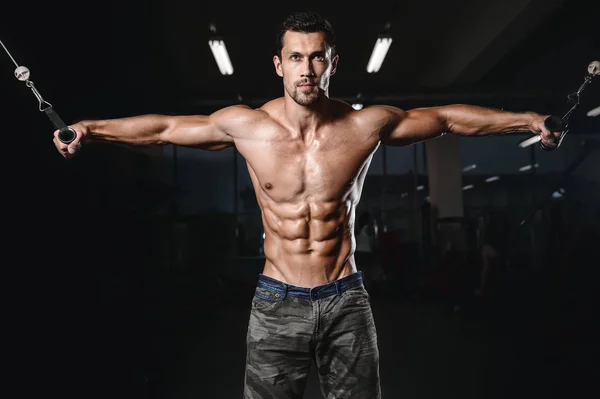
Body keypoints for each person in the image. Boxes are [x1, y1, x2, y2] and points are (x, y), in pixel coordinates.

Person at [52, 11, 562, 399]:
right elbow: (163, 129)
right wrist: (90, 129)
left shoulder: (366, 126)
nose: (307, 68)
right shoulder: (246, 126)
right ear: (279, 64)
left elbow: (447, 118)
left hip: (346, 298)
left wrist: (526, 120)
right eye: (296, 57)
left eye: (317, 56)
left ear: (332, 63)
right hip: (277, 302)